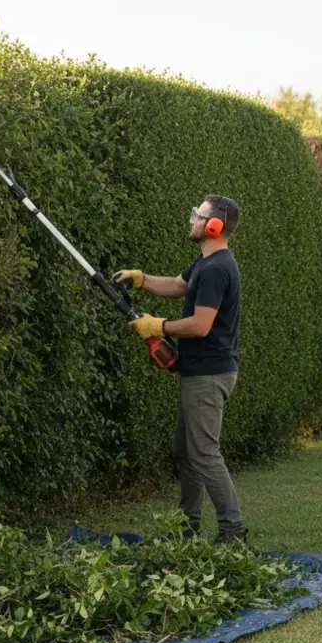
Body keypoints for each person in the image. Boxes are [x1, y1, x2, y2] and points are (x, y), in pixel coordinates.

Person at [114, 195, 246, 543]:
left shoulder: (217, 268)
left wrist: (158, 326)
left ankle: (233, 531)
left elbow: (201, 326)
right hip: (198, 372)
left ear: (214, 225)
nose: (192, 220)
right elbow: (177, 285)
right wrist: (140, 279)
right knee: (186, 452)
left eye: (197, 215)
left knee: (204, 453)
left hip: (209, 375)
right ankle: (187, 528)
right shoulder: (206, 263)